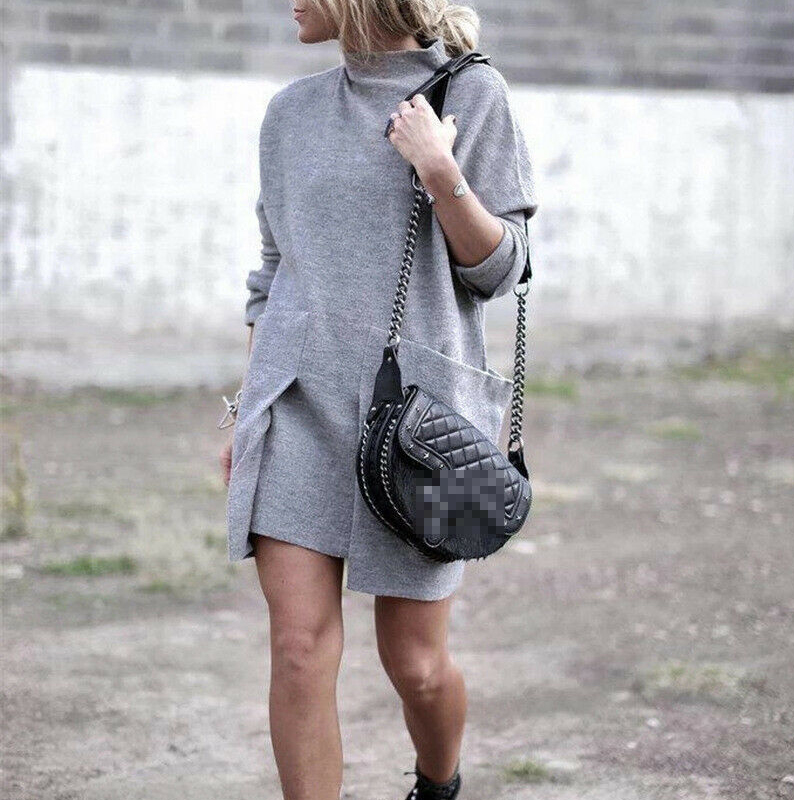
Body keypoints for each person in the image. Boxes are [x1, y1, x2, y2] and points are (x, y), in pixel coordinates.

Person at [218, 1, 537, 798]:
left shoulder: (472, 94)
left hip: (416, 425)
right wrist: (246, 411)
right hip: (295, 405)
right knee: (298, 648)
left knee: (416, 664)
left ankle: (438, 783)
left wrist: (440, 170)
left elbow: (500, 270)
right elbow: (272, 271)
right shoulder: (291, 112)